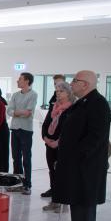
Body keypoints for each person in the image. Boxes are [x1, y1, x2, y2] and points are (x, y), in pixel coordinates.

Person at [53, 71, 111, 221]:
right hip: (75, 167)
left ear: (85, 84)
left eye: (75, 81)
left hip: (86, 169)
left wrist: (76, 156)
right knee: (76, 210)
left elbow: (96, 138)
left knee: (85, 212)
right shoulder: (83, 102)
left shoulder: (98, 104)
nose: (71, 84)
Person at [41, 81, 75, 210]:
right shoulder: (54, 106)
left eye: (61, 91)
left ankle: (63, 201)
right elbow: (46, 124)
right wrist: (45, 137)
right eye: (57, 91)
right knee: (52, 171)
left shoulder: (72, 108)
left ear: (68, 93)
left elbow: (70, 129)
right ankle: (55, 200)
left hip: (63, 146)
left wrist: (58, 142)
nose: (58, 93)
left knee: (62, 173)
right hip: (50, 144)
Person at [7, 72, 38, 194]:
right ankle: (17, 183)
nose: (17, 81)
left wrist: (16, 112)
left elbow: (28, 113)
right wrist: (19, 112)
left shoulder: (33, 95)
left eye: (20, 79)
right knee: (16, 158)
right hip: (15, 129)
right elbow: (9, 111)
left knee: (26, 158)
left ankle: (27, 185)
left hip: (26, 130)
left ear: (27, 81)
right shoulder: (15, 95)